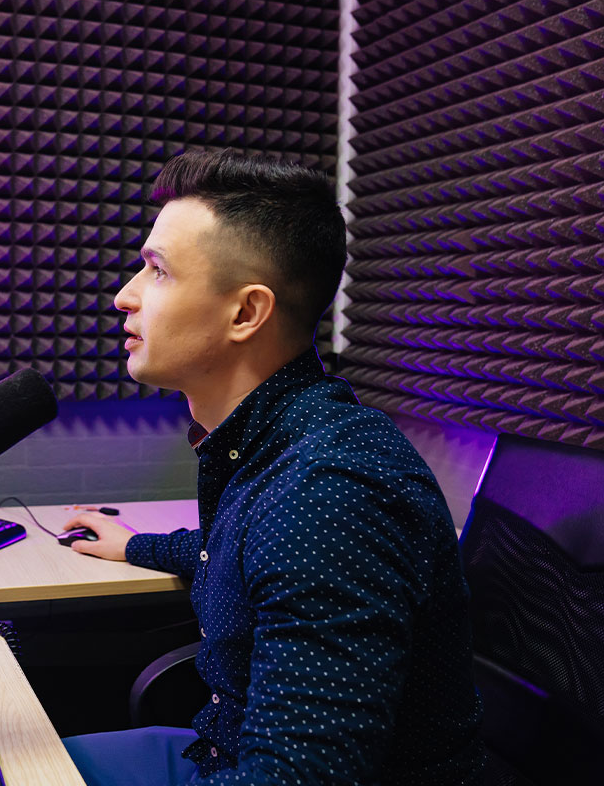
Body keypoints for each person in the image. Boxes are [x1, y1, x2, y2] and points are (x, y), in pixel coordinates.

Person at [60, 150, 484, 785]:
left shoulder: (330, 494)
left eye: (158, 272)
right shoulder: (278, 444)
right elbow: (242, 553)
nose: (124, 297)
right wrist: (136, 545)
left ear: (245, 313)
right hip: (218, 751)